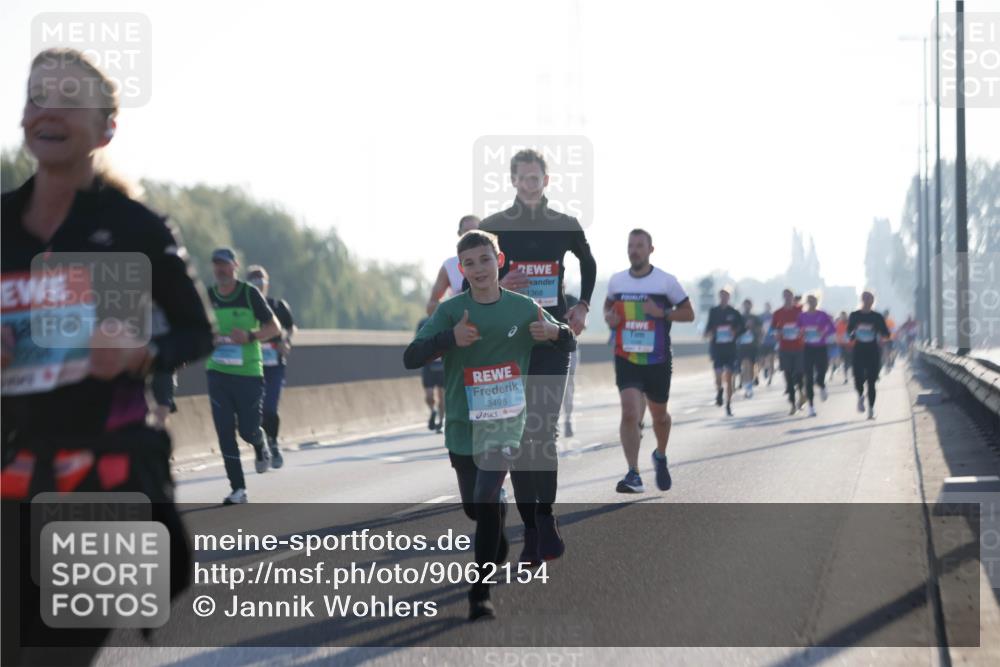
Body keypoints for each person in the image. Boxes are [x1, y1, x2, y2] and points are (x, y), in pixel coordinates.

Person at [1, 48, 214, 666]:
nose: (48, 110)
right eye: (37, 96)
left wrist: (141, 354)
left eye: (69, 99)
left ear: (106, 128)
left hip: (103, 481)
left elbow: (195, 334)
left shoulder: (135, 228)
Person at [403, 230, 575, 621]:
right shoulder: (451, 312)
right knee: (476, 507)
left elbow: (568, 343)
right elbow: (411, 356)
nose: (478, 269)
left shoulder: (524, 307)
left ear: (499, 261)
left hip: (506, 422)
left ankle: (479, 594)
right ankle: (495, 525)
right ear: (460, 268)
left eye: (485, 260)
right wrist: (450, 338)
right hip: (464, 422)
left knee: (485, 494)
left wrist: (554, 332)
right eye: (469, 263)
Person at [478, 148, 596, 565]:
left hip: (551, 337)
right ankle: (533, 529)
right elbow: (473, 275)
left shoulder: (564, 225)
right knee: (520, 440)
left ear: (546, 180)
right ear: (512, 181)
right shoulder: (493, 227)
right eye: (522, 178)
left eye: (536, 178)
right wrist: (499, 281)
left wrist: (581, 305)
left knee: (541, 435)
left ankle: (544, 519)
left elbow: (588, 262)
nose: (530, 184)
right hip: (511, 344)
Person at [604, 229, 694, 493]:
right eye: (630, 245)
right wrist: (610, 318)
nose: (634, 250)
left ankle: (661, 455)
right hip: (626, 355)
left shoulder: (666, 282)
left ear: (650, 249)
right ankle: (633, 473)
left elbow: (689, 313)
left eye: (640, 245)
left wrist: (663, 312)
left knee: (660, 417)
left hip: (657, 359)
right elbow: (608, 308)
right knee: (630, 412)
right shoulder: (617, 281)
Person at [206, 248, 282, 504]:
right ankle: (238, 488)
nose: (220, 269)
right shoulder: (207, 297)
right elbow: (194, 327)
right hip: (217, 372)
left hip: (248, 373)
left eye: (225, 265)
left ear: (235, 266)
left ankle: (259, 443)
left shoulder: (249, 294)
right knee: (224, 431)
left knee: (247, 431)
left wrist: (249, 336)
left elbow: (274, 327)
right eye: (216, 265)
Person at [247, 265, 295, 466]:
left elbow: (291, 328)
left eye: (261, 282)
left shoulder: (277, 306)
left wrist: (286, 341)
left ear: (267, 284)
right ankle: (261, 446)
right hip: (250, 364)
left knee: (269, 408)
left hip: (274, 365)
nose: (258, 286)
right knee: (252, 411)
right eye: (253, 283)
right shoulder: (245, 309)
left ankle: (273, 442)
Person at [426, 215, 481, 315]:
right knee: (423, 324)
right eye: (466, 232)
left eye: (476, 232)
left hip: (490, 318)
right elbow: (431, 306)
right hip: (460, 322)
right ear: (459, 234)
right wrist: (454, 310)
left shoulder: (494, 261)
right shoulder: (449, 265)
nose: (471, 236)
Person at [848, 292, 891, 419]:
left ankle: (871, 409)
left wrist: (878, 330)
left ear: (873, 301)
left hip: (873, 350)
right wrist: (854, 332)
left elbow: (886, 334)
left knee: (872, 381)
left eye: (870, 299)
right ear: (861, 300)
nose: (867, 301)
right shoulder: (854, 316)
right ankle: (860, 395)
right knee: (858, 378)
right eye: (865, 299)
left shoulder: (877, 317)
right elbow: (849, 334)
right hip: (859, 350)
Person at [704, 288, 743, 416]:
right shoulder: (713, 311)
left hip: (730, 349)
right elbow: (708, 327)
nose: (723, 298)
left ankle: (728, 404)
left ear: (729, 297)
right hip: (717, 348)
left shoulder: (734, 312)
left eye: (726, 296)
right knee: (718, 375)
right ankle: (719, 391)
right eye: (721, 296)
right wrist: (708, 333)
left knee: (729, 377)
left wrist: (735, 332)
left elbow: (742, 327)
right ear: (719, 297)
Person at [798, 294, 836, 417]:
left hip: (821, 347)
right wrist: (802, 333)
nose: (812, 303)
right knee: (808, 378)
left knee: (821, 372)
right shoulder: (802, 316)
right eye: (809, 301)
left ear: (817, 302)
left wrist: (823, 331)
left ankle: (821, 384)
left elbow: (832, 328)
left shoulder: (822, 315)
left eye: (814, 301)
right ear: (806, 302)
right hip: (808, 348)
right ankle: (811, 406)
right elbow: (797, 330)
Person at [772, 289, 805, 415]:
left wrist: (802, 331)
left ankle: (801, 392)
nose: (787, 298)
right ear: (783, 297)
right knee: (788, 375)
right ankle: (792, 403)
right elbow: (773, 329)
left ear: (792, 297)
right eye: (785, 296)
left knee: (799, 374)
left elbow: (806, 324)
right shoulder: (778, 313)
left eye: (789, 296)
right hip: (784, 348)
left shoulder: (800, 310)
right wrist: (777, 334)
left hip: (799, 347)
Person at [416, 314, 445, 432]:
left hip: (443, 366)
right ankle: (433, 411)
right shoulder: (423, 323)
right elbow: (417, 341)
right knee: (429, 396)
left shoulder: (446, 321)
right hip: (428, 366)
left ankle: (441, 422)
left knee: (442, 396)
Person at [562, 293, 581, 438]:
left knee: (568, 386)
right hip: (544, 347)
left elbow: (581, 323)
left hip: (570, 347)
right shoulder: (539, 297)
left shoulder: (572, 300)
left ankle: (567, 420)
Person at [737, 298, 762, 398]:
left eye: (749, 305)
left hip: (753, 345)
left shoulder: (755, 317)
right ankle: (747, 387)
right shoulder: (739, 317)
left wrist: (754, 329)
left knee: (751, 366)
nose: (747, 306)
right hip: (742, 345)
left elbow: (760, 330)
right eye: (745, 305)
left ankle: (750, 383)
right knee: (745, 364)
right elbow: (736, 329)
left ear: (751, 306)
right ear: (743, 306)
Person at [759, 302, 776, 385]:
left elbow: (777, 328)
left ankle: (770, 379)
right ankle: (765, 368)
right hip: (762, 342)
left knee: (771, 359)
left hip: (772, 342)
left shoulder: (773, 316)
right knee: (762, 360)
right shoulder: (760, 317)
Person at [835, 311, 853, 384]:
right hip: (843, 346)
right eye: (842, 316)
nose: (843, 317)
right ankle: (846, 378)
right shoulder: (838, 325)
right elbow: (837, 335)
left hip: (852, 346)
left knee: (852, 362)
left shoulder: (851, 323)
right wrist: (839, 340)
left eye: (844, 316)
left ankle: (852, 374)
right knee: (845, 362)